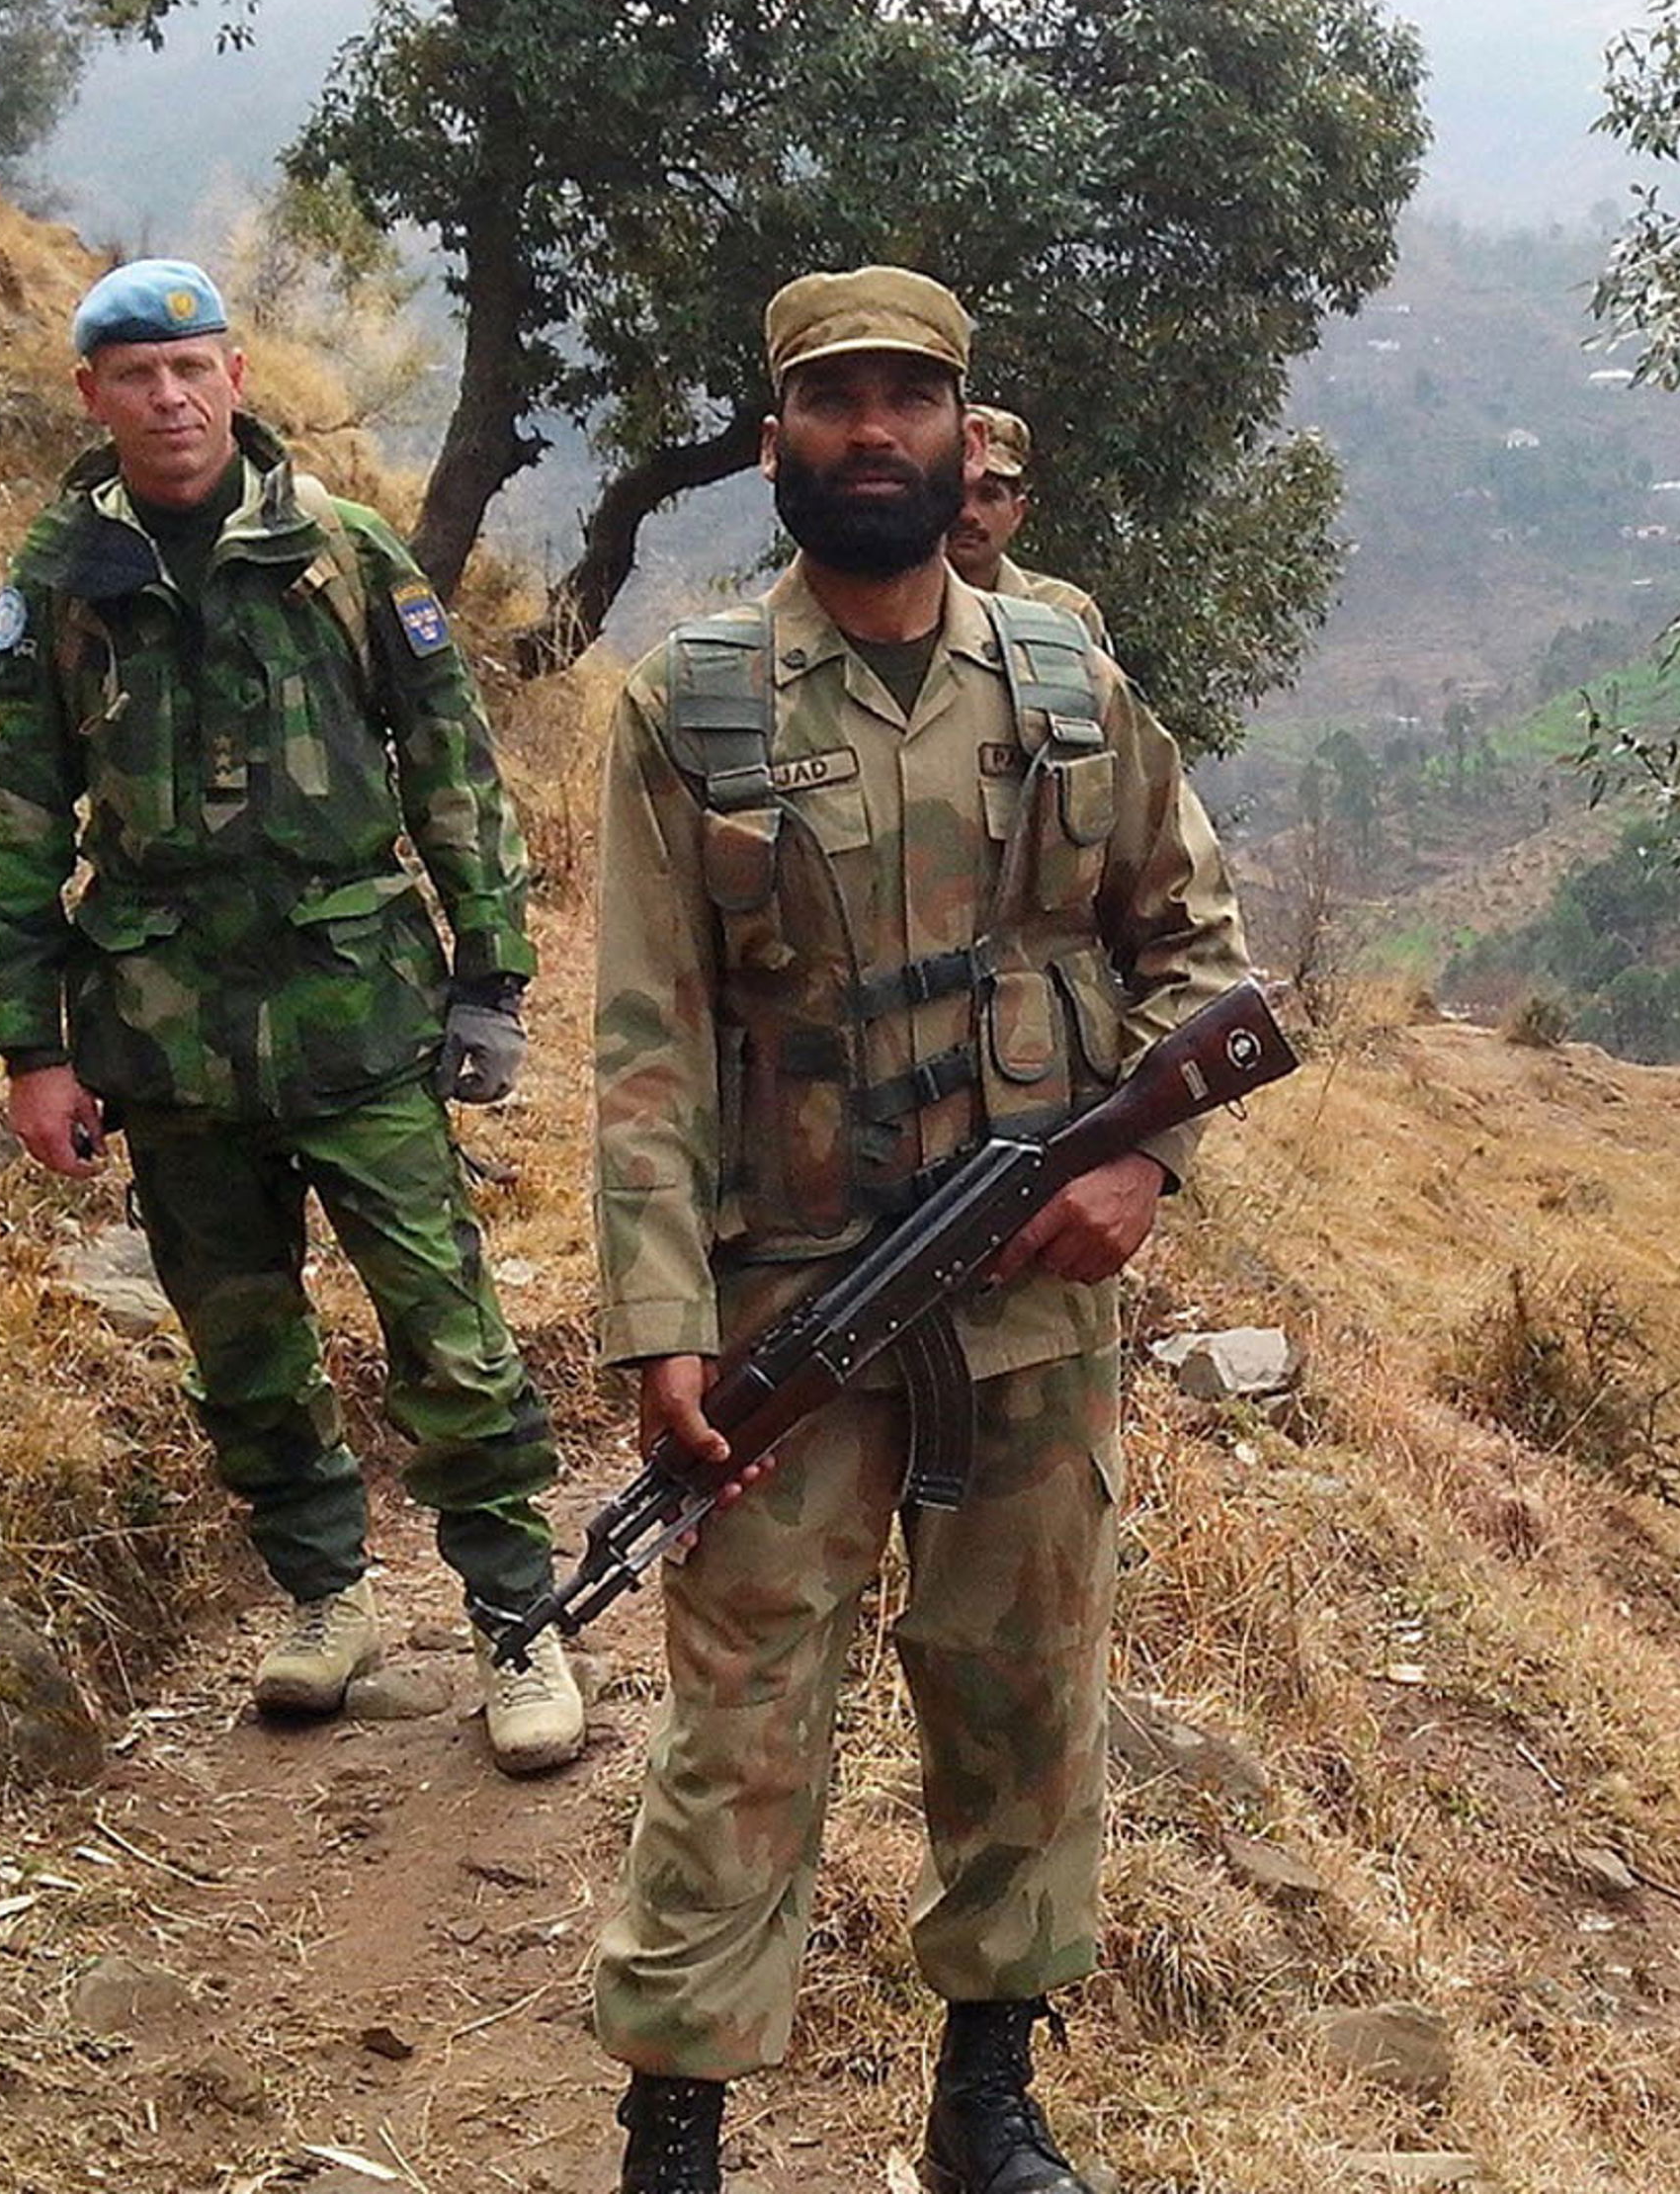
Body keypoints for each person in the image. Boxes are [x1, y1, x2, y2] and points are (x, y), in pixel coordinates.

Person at [586, 267, 1249, 2194]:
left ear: (964, 432)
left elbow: (1193, 955)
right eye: (828, 400)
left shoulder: (1061, 683)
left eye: (905, 398)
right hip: (784, 1301)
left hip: (1028, 1307)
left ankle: (985, 2100)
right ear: (776, 436)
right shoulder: (684, 708)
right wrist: (654, 1323)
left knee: (1022, 1695)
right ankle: (678, 2124)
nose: (869, 431)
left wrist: (1138, 1164)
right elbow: (643, 1037)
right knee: (741, 1726)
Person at [0, 258, 584, 1776]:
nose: (168, 400)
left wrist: (488, 977)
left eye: (191, 369)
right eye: (134, 376)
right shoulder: (60, 583)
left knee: (443, 1324)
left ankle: (519, 1621)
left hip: (353, 1008)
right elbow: (17, 814)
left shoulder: (346, 556)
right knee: (239, 1336)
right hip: (164, 1028)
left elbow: (451, 763)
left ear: (235, 377)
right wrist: (31, 1046)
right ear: (92, 396)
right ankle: (325, 1597)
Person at [945, 405, 1115, 656]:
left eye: (989, 496)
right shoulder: (887, 613)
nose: (968, 514)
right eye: (955, 492)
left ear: (1017, 512)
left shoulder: (1066, 614)